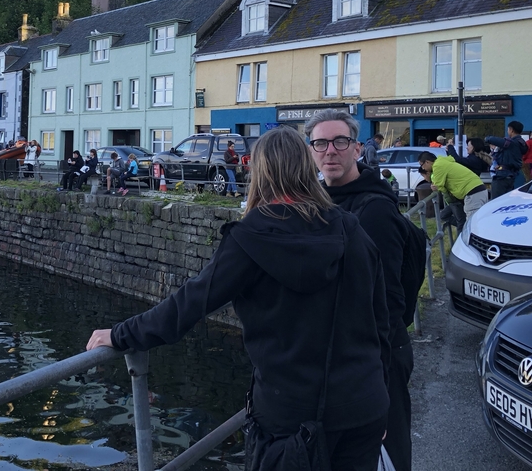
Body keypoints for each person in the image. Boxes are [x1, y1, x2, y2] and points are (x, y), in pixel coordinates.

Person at [86, 126, 389, 471]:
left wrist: (121, 334)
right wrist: (383, 398)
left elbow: (190, 303)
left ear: (259, 172)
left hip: (289, 418)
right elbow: (381, 323)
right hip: (362, 406)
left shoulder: (251, 238)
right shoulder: (353, 229)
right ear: (308, 167)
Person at [304, 108, 413, 471]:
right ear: (311, 150)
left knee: (383, 455)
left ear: (356, 148)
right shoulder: (317, 202)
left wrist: (378, 390)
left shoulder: (374, 210)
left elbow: (388, 305)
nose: (329, 151)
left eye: (339, 141)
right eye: (320, 143)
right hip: (337, 357)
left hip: (375, 360)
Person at [418, 152, 489, 225]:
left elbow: (438, 186)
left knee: (472, 223)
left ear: (427, 162)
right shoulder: (443, 161)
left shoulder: (437, 166)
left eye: (421, 165)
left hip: (472, 193)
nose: (422, 168)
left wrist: (435, 187)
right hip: (478, 189)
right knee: (479, 220)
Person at [485, 121, 527, 199]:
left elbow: (490, 139)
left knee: (496, 202)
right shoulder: (522, 143)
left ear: (511, 130)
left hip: (502, 176)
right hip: (513, 175)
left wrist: (487, 138)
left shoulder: (511, 143)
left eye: (508, 129)